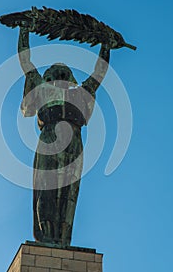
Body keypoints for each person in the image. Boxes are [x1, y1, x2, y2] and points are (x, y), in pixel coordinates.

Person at [18, 26, 117, 247]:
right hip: (49, 137)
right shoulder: (43, 89)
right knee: (46, 188)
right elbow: (26, 63)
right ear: (49, 75)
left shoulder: (80, 94)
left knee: (68, 192)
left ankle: (62, 239)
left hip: (74, 140)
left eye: (64, 73)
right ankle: (46, 235)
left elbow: (99, 73)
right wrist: (23, 32)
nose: (60, 75)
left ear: (69, 77)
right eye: (56, 72)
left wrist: (106, 46)